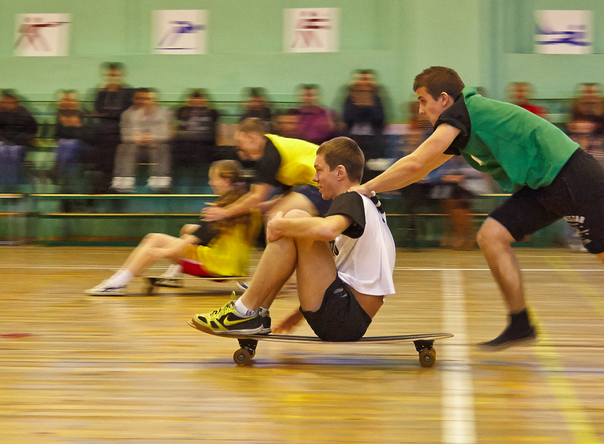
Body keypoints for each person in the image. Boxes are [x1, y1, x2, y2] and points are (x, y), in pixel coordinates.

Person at [354, 66, 604, 358]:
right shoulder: (464, 120)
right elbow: (420, 169)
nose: (421, 109)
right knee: (492, 236)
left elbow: (416, 161)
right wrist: (372, 188)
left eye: (423, 101)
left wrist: (365, 188)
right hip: (543, 185)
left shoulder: (462, 114)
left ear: (443, 99)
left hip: (571, 176)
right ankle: (520, 323)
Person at [191, 137, 396, 340]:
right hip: (346, 315)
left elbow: (327, 230)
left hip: (344, 315)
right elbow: (344, 273)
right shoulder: (367, 203)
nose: (314, 178)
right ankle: (256, 312)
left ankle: (243, 311)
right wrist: (298, 314)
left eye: (319, 170)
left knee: (295, 218)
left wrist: (279, 225)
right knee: (295, 222)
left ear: (340, 172)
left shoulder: (352, 197)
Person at [86, 160, 260, 296]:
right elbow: (207, 233)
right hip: (235, 265)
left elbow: (198, 236)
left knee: (154, 239)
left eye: (213, 178)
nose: (210, 182)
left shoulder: (222, 208)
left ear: (226, 180)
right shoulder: (245, 203)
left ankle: (117, 283)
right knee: (187, 228)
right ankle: (173, 275)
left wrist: (167, 252)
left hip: (218, 266)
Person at [200, 117, 330, 225]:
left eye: (240, 143)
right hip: (318, 184)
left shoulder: (270, 154)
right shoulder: (272, 150)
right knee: (275, 214)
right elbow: (259, 198)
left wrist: (225, 212)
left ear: (251, 137)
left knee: (275, 219)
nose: (239, 151)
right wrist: (228, 208)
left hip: (325, 184)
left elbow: (256, 197)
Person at [112, 87, 172, 192]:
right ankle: (125, 180)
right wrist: (137, 138)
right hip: (135, 145)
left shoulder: (164, 113)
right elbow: (124, 135)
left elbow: (166, 134)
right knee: (124, 147)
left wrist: (152, 138)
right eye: (138, 98)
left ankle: (161, 180)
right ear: (133, 99)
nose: (142, 101)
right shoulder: (127, 114)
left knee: (162, 147)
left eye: (145, 98)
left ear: (152, 100)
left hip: (155, 145)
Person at [89, 62, 133, 192]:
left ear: (121, 75)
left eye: (115, 75)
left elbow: (126, 112)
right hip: (103, 130)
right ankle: (105, 182)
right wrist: (109, 114)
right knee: (100, 143)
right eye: (110, 75)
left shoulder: (129, 92)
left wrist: (108, 114)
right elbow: (98, 110)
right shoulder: (101, 93)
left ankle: (105, 184)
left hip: (121, 128)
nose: (113, 78)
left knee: (110, 145)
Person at [0, 90, 37, 190]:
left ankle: (11, 185)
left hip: (19, 145)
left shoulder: (25, 115)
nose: (7, 105)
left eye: (10, 102)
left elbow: (31, 131)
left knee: (12, 152)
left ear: (16, 103)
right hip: (3, 144)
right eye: (5, 102)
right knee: (1, 150)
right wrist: (3, 141)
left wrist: (16, 142)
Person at [342, 71, 387, 176]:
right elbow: (347, 117)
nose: (364, 84)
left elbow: (380, 119)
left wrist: (367, 105)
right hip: (353, 137)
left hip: (372, 139)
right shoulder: (350, 98)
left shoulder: (377, 99)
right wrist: (362, 106)